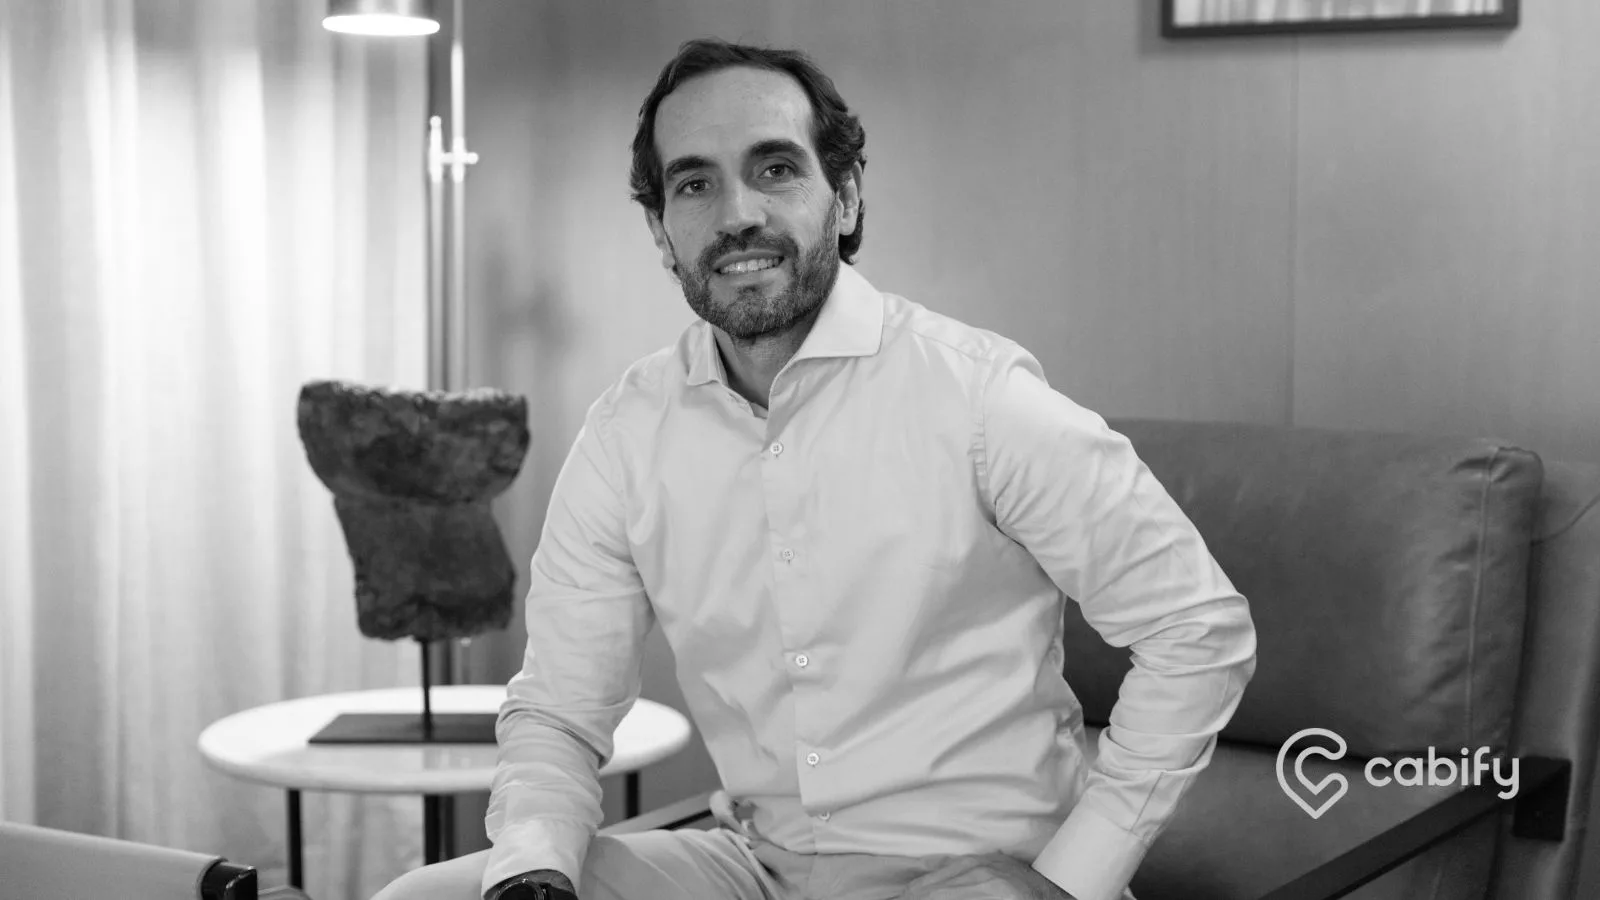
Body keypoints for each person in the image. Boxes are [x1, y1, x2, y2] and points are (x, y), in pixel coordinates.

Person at [373, 36, 1256, 900]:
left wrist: (1067, 880)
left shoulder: (980, 399)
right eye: (695, 183)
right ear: (661, 231)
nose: (736, 215)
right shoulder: (625, 435)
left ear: (847, 197)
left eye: (775, 168)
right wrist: (534, 872)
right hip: (757, 869)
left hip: (981, 871)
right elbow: (559, 711)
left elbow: (1197, 629)